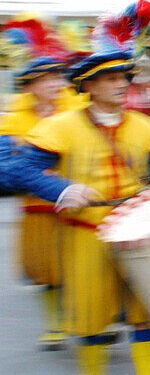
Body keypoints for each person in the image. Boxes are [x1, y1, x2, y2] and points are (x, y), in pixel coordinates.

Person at [13, 51, 150, 375]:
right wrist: (61, 187)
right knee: (90, 315)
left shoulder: (143, 124)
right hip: (86, 234)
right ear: (87, 86)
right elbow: (18, 169)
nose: (122, 84)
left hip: (137, 233)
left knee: (143, 315)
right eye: (111, 79)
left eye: (124, 77)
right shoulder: (60, 125)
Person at [0, 58, 85, 349]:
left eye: (57, 78)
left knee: (80, 263)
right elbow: (5, 168)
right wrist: (37, 176)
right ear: (31, 87)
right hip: (37, 205)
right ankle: (55, 324)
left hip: (79, 200)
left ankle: (91, 317)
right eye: (46, 79)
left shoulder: (77, 111)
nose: (55, 84)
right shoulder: (14, 120)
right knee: (45, 267)